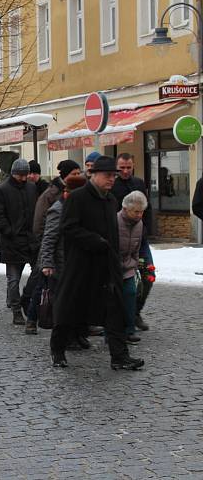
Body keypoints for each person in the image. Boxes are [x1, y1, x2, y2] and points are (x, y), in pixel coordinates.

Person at [50, 155, 144, 371]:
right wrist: (95, 241)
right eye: (108, 175)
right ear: (94, 175)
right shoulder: (77, 197)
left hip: (107, 264)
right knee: (69, 309)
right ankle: (57, 350)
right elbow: (68, 228)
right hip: (81, 264)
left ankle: (119, 356)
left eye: (114, 176)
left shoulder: (110, 200)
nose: (112, 179)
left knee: (115, 309)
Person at [26, 159, 82, 333]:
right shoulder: (51, 194)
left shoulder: (77, 191)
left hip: (65, 250)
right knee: (42, 287)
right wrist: (45, 250)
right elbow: (40, 222)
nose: (77, 176)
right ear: (65, 176)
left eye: (78, 173)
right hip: (49, 247)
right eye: (74, 174)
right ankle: (32, 318)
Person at [36, 174, 88, 346]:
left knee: (78, 301)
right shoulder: (57, 209)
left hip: (76, 262)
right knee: (63, 304)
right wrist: (47, 263)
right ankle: (65, 338)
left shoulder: (80, 206)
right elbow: (49, 238)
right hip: (60, 264)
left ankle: (78, 334)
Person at [0, 158, 38, 325]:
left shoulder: (31, 188)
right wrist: (8, 231)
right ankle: (16, 310)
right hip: (12, 241)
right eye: (20, 175)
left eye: (26, 175)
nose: (24, 178)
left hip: (30, 239)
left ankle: (27, 301)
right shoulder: (1, 190)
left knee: (37, 275)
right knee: (13, 280)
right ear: (13, 174)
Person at [112, 152, 154, 332]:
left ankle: (136, 312)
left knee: (148, 277)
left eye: (129, 167)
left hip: (139, 239)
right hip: (118, 240)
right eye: (122, 168)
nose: (126, 171)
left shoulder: (138, 183)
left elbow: (148, 209)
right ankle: (120, 319)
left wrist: (146, 230)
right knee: (121, 282)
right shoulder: (112, 185)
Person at [118, 191, 149, 344]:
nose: (139, 215)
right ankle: (111, 331)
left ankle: (129, 330)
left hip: (129, 265)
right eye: (136, 211)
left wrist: (135, 263)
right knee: (115, 299)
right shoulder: (115, 221)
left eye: (141, 212)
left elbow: (137, 247)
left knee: (131, 293)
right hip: (114, 266)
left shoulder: (140, 224)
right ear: (125, 209)